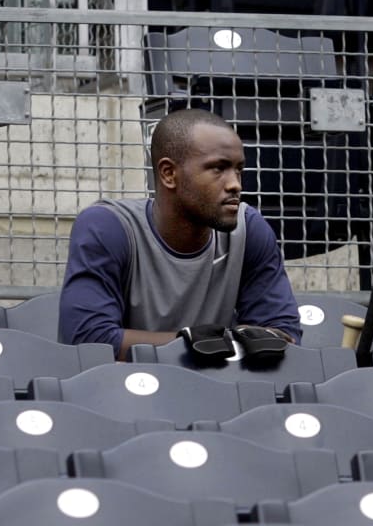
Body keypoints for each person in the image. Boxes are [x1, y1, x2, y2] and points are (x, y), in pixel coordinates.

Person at [59, 108, 301, 360]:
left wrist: (215, 344)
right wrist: (197, 342)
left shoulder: (248, 230)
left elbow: (284, 338)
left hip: (219, 384)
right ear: (168, 173)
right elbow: (89, 341)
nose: (235, 184)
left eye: (238, 170)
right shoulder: (109, 227)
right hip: (124, 384)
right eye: (218, 169)